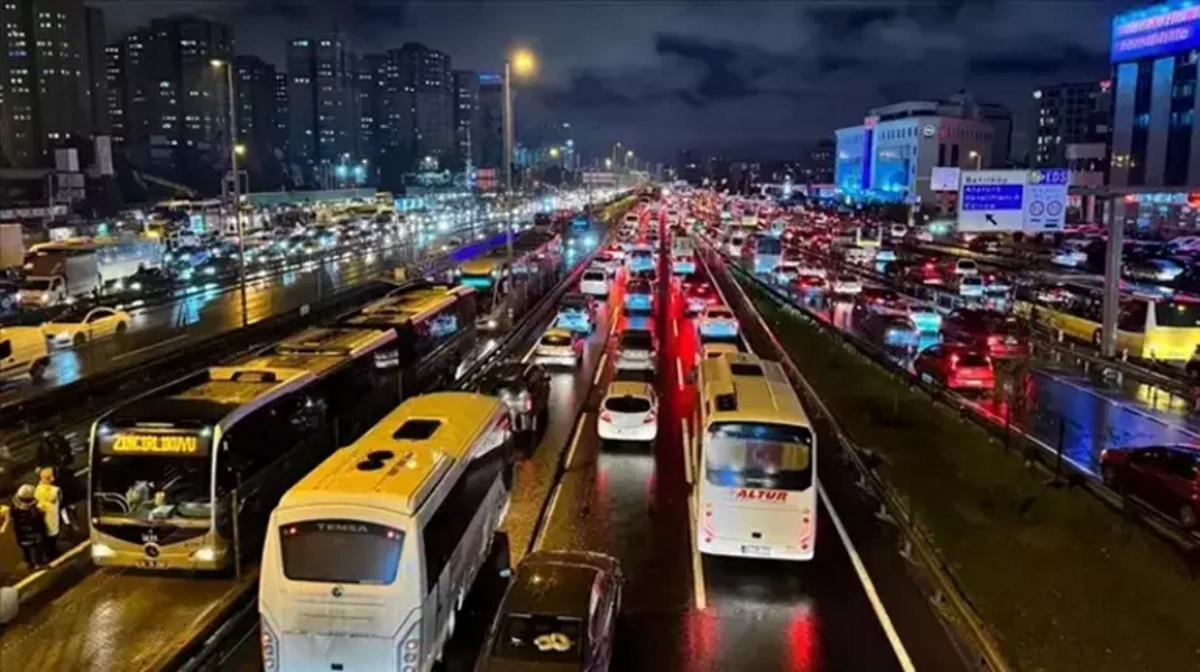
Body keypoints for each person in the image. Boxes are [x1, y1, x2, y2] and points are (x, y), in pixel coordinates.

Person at [10, 485, 48, 569]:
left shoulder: (14, 506)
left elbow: (12, 516)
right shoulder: (34, 511)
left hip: (20, 532)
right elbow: (39, 523)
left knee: (25, 548)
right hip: (33, 533)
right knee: (37, 548)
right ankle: (38, 562)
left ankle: (28, 561)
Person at [34, 467, 61, 561]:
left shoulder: (38, 489)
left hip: (43, 518)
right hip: (52, 517)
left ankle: (49, 552)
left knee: (47, 538)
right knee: (52, 538)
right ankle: (51, 553)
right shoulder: (54, 491)